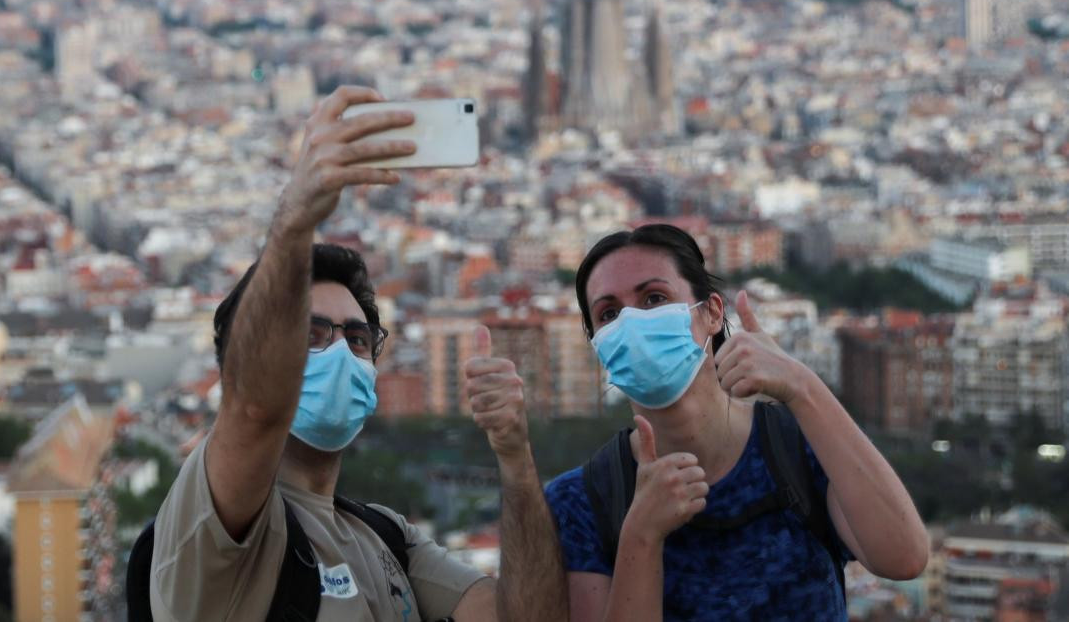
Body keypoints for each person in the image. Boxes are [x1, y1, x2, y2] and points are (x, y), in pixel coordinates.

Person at [148, 87, 568, 621]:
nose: (341, 352)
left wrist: (515, 459)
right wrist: (296, 219)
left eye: (357, 339)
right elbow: (255, 411)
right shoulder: (215, 523)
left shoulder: (386, 538)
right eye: (310, 334)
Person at [544, 224, 929, 621]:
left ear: (712, 313)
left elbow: (905, 557)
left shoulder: (798, 448)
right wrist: (641, 536)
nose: (632, 323)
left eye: (654, 298)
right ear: (598, 346)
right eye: (609, 313)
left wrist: (801, 385)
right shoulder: (581, 502)